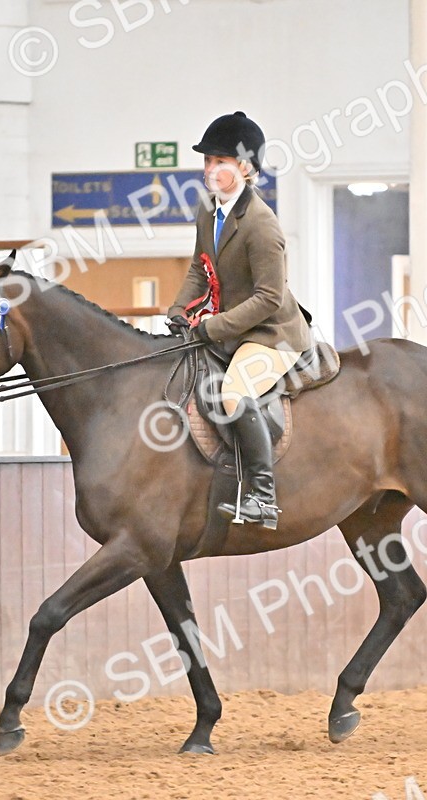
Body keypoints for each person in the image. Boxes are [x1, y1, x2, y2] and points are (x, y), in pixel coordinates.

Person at [167, 111, 312, 530]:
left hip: (272, 334)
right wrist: (179, 309)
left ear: (245, 168)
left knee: (234, 392)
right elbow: (199, 268)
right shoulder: (207, 211)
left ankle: (262, 496)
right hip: (234, 331)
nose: (210, 170)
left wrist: (212, 327)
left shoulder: (262, 226)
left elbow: (269, 298)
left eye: (220, 162)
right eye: (207, 160)